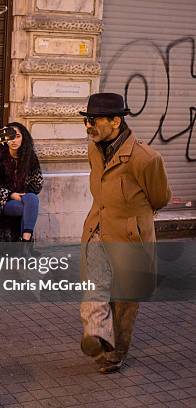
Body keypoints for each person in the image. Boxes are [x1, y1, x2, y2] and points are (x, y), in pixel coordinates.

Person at [79, 92, 171, 374]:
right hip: (97, 229)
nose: (89, 126)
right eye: (87, 121)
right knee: (94, 288)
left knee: (123, 302)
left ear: (116, 121)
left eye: (94, 121)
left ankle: (116, 352)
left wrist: (134, 219)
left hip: (129, 239)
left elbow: (160, 198)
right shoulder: (94, 150)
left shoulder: (145, 158)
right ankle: (96, 335)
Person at [0, 122, 43, 244]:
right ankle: (26, 244)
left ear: (24, 138)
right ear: (4, 139)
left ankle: (24, 240)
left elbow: (38, 181)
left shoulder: (30, 157)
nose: (14, 140)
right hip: (2, 200)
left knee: (32, 199)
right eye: (10, 137)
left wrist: (24, 195)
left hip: (25, 197)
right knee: (27, 208)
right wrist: (11, 195)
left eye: (17, 136)